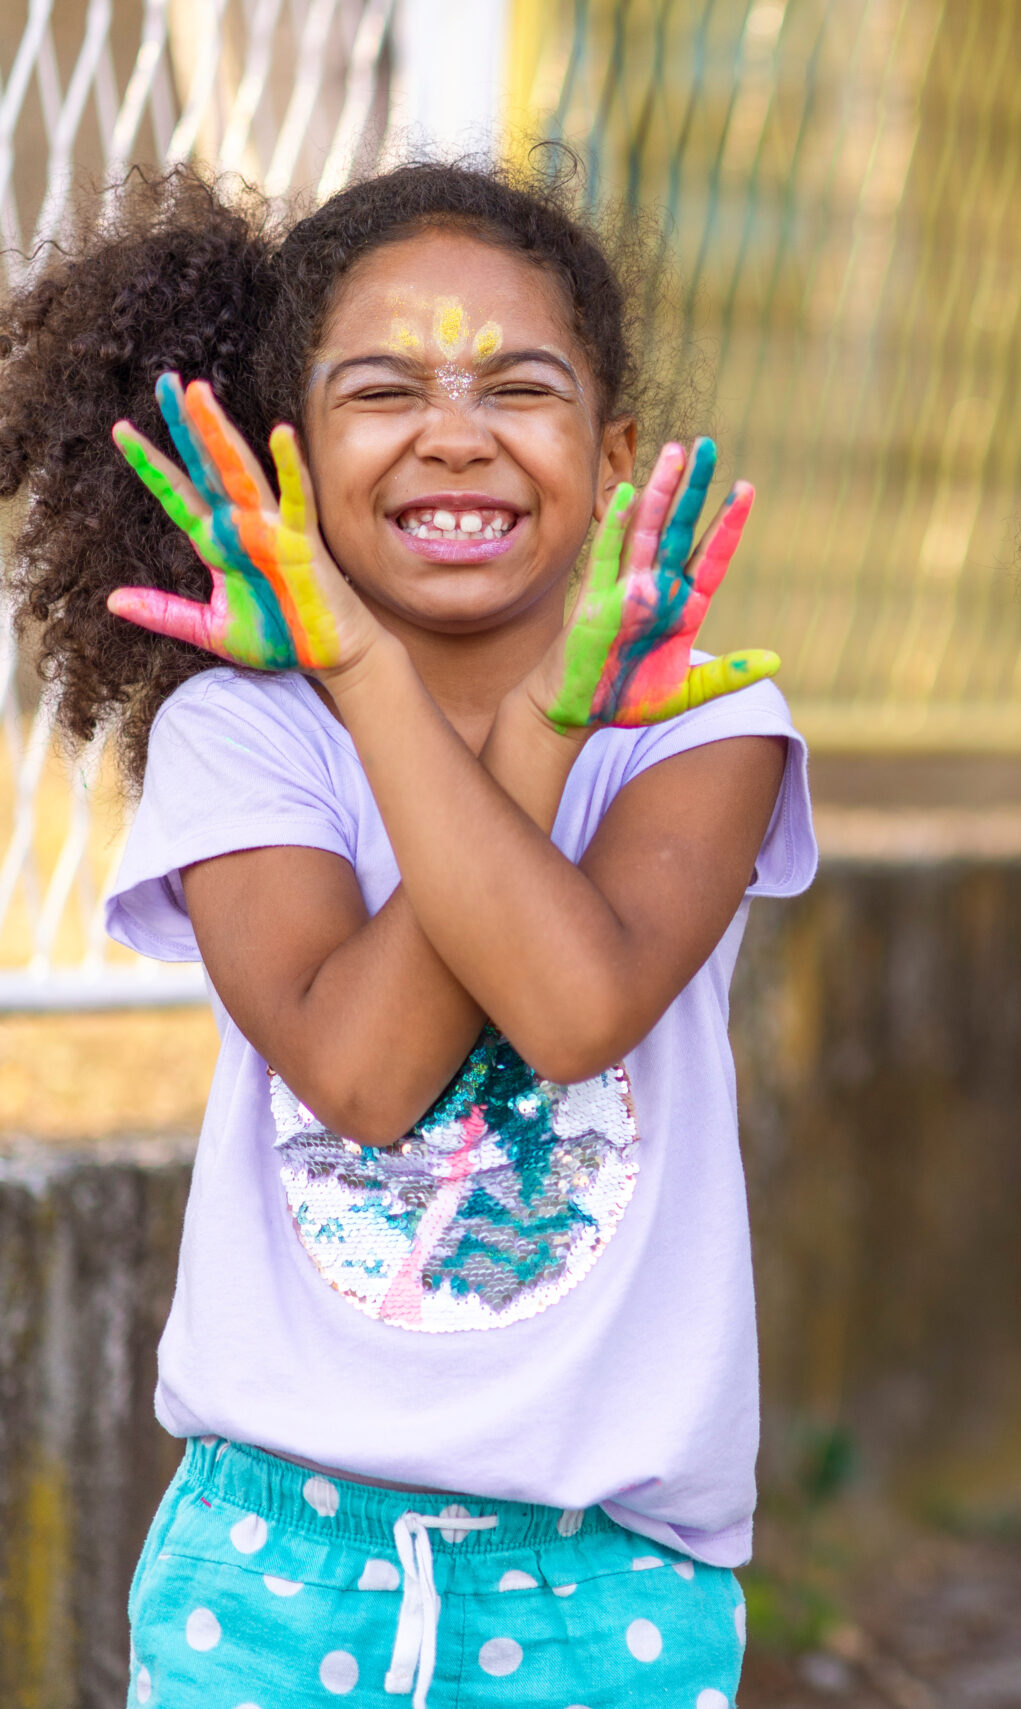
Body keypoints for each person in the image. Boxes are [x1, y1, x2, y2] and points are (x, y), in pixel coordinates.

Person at [2, 160, 813, 1705]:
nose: (458, 430)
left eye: (520, 385)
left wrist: (555, 712)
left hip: (611, 1571)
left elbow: (575, 1011)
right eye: (388, 390)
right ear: (292, 457)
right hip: (272, 1563)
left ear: (614, 450)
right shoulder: (244, 737)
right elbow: (365, 1077)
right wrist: (391, 681)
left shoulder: (709, 726)